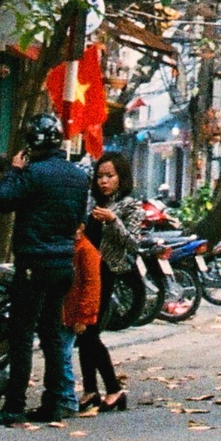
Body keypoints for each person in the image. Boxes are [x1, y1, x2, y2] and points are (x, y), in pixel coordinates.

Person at [0, 113, 91, 422]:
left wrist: (13, 171)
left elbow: (4, 201)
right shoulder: (78, 177)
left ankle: (14, 406)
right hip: (63, 263)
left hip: (34, 261)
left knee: (22, 334)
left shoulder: (32, 173)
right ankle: (54, 400)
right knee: (51, 335)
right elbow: (78, 218)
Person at [75, 151, 147, 412]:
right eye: (100, 176)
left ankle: (114, 388)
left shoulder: (129, 206)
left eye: (110, 176)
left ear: (121, 178)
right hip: (85, 268)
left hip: (106, 271)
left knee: (91, 331)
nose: (104, 181)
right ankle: (90, 390)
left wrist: (113, 220)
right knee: (82, 331)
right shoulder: (91, 203)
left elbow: (133, 242)